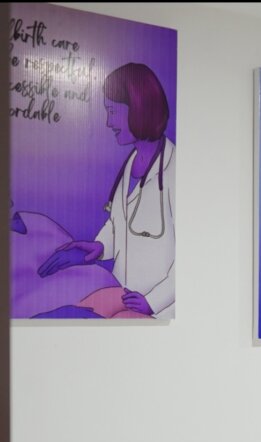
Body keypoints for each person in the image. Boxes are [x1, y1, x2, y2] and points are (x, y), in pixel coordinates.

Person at [36, 62, 176, 319]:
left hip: (160, 311)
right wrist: (99, 246)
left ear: (138, 109)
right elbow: (119, 223)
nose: (109, 122)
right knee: (66, 312)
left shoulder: (175, 169)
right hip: (124, 294)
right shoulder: (131, 163)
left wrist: (153, 302)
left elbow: (192, 251)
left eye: (113, 111)